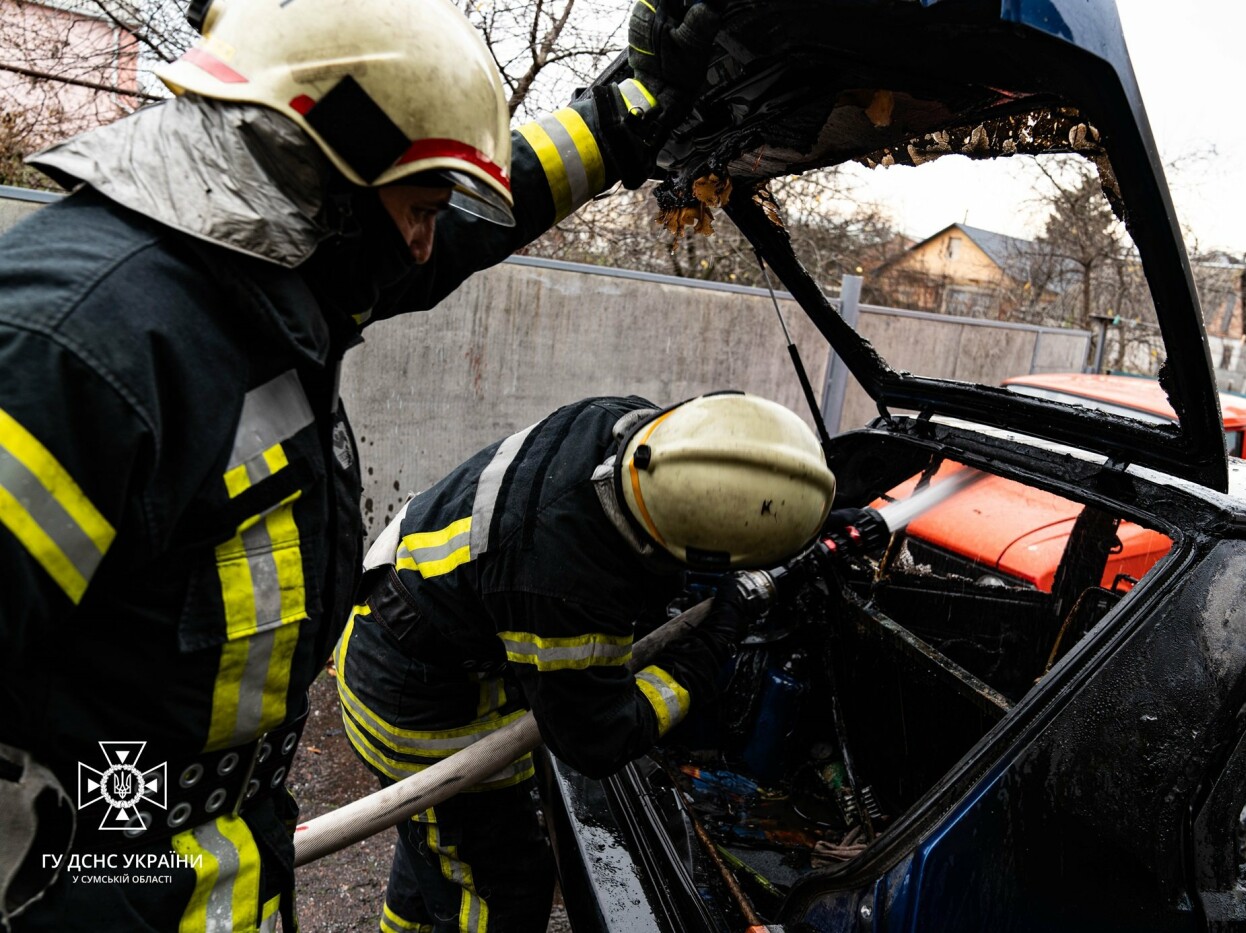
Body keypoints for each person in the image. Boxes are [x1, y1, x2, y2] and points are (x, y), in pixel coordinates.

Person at [0, 0, 721, 927]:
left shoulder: (262, 278)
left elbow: (461, 227)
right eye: (417, 210)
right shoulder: (74, 350)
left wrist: (625, 118)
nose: (425, 243)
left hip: (201, 867)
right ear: (322, 174)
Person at [335, 392, 834, 933]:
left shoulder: (630, 428)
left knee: (438, 836)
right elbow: (598, 739)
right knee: (502, 881)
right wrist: (707, 650)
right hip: (418, 708)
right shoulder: (560, 578)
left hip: (407, 637)